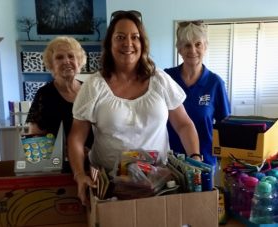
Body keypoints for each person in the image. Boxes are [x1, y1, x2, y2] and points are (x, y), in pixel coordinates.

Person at [67, 11, 200, 205]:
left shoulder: (160, 79)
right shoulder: (94, 86)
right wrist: (79, 175)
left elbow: (183, 124)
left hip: (159, 184)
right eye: (120, 37)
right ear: (110, 44)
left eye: (135, 37)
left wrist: (195, 160)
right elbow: (76, 137)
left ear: (142, 43)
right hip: (109, 188)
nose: (128, 43)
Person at [164, 20, 231, 167]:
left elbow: (225, 127)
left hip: (204, 161)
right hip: (169, 161)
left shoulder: (215, 83)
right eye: (187, 45)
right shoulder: (167, 78)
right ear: (179, 49)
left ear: (205, 46)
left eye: (198, 44)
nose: (192, 50)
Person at [26, 36, 93, 170]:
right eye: (59, 57)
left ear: (79, 61)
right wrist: (67, 151)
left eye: (71, 56)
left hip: (94, 165)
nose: (66, 61)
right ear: (51, 64)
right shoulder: (44, 94)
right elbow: (35, 139)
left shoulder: (90, 90)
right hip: (59, 167)